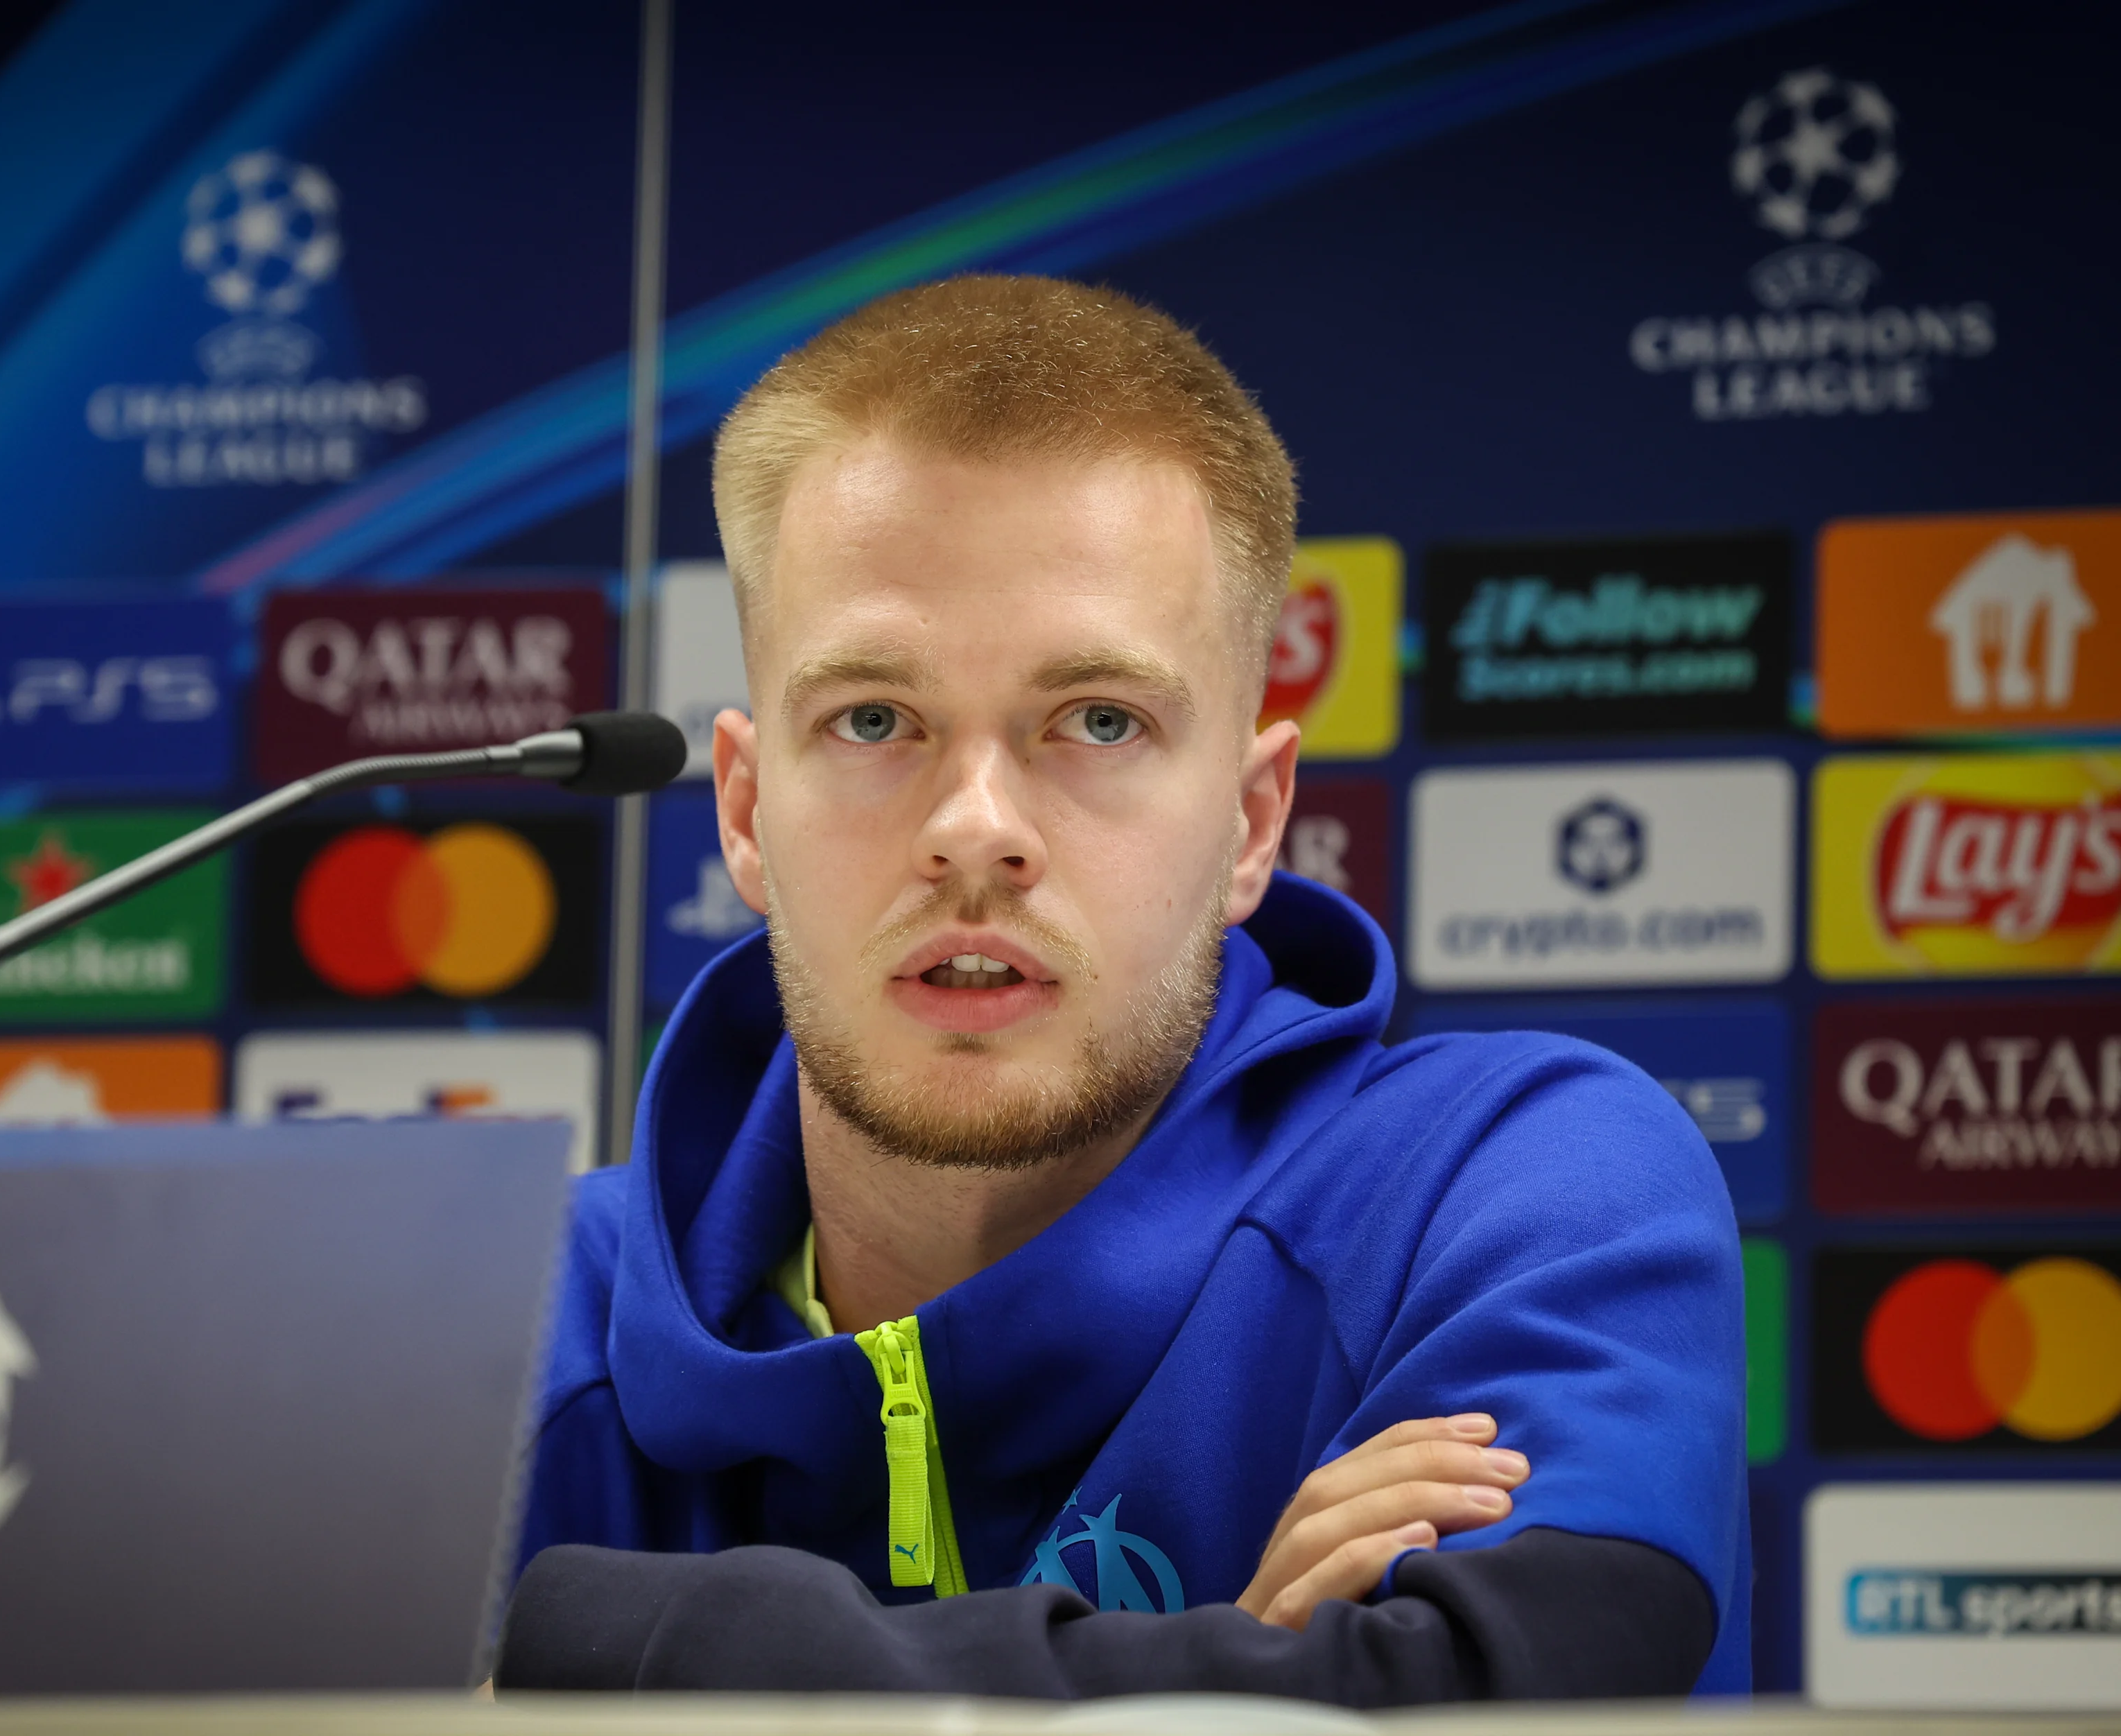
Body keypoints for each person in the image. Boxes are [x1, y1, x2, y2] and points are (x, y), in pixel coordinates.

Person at [496, 277, 1745, 1703]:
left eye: (1098, 720)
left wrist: (596, 1649)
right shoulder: (514, 1323)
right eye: (873, 718)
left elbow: (1490, 1700)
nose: (975, 827)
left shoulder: (1520, 1185)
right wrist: (1236, 1687)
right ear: (743, 812)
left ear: (1252, 823)